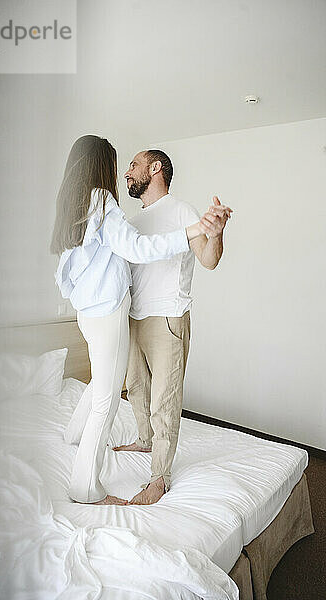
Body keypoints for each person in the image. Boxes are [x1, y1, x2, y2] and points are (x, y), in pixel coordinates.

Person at [50, 135, 208, 506]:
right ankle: (86, 488)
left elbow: (65, 273)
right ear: (101, 164)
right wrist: (191, 233)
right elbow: (137, 249)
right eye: (118, 162)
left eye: (132, 164)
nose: (123, 171)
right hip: (108, 313)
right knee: (107, 398)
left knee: (101, 381)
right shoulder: (104, 203)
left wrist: (82, 298)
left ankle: (74, 435)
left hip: (89, 313)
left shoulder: (76, 207)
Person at [113, 149, 232, 505]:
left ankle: (159, 477)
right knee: (136, 387)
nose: (127, 173)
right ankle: (144, 439)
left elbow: (209, 260)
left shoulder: (183, 211)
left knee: (164, 398)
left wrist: (218, 233)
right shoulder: (132, 222)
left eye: (133, 165)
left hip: (168, 316)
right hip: (134, 317)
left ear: (155, 168)